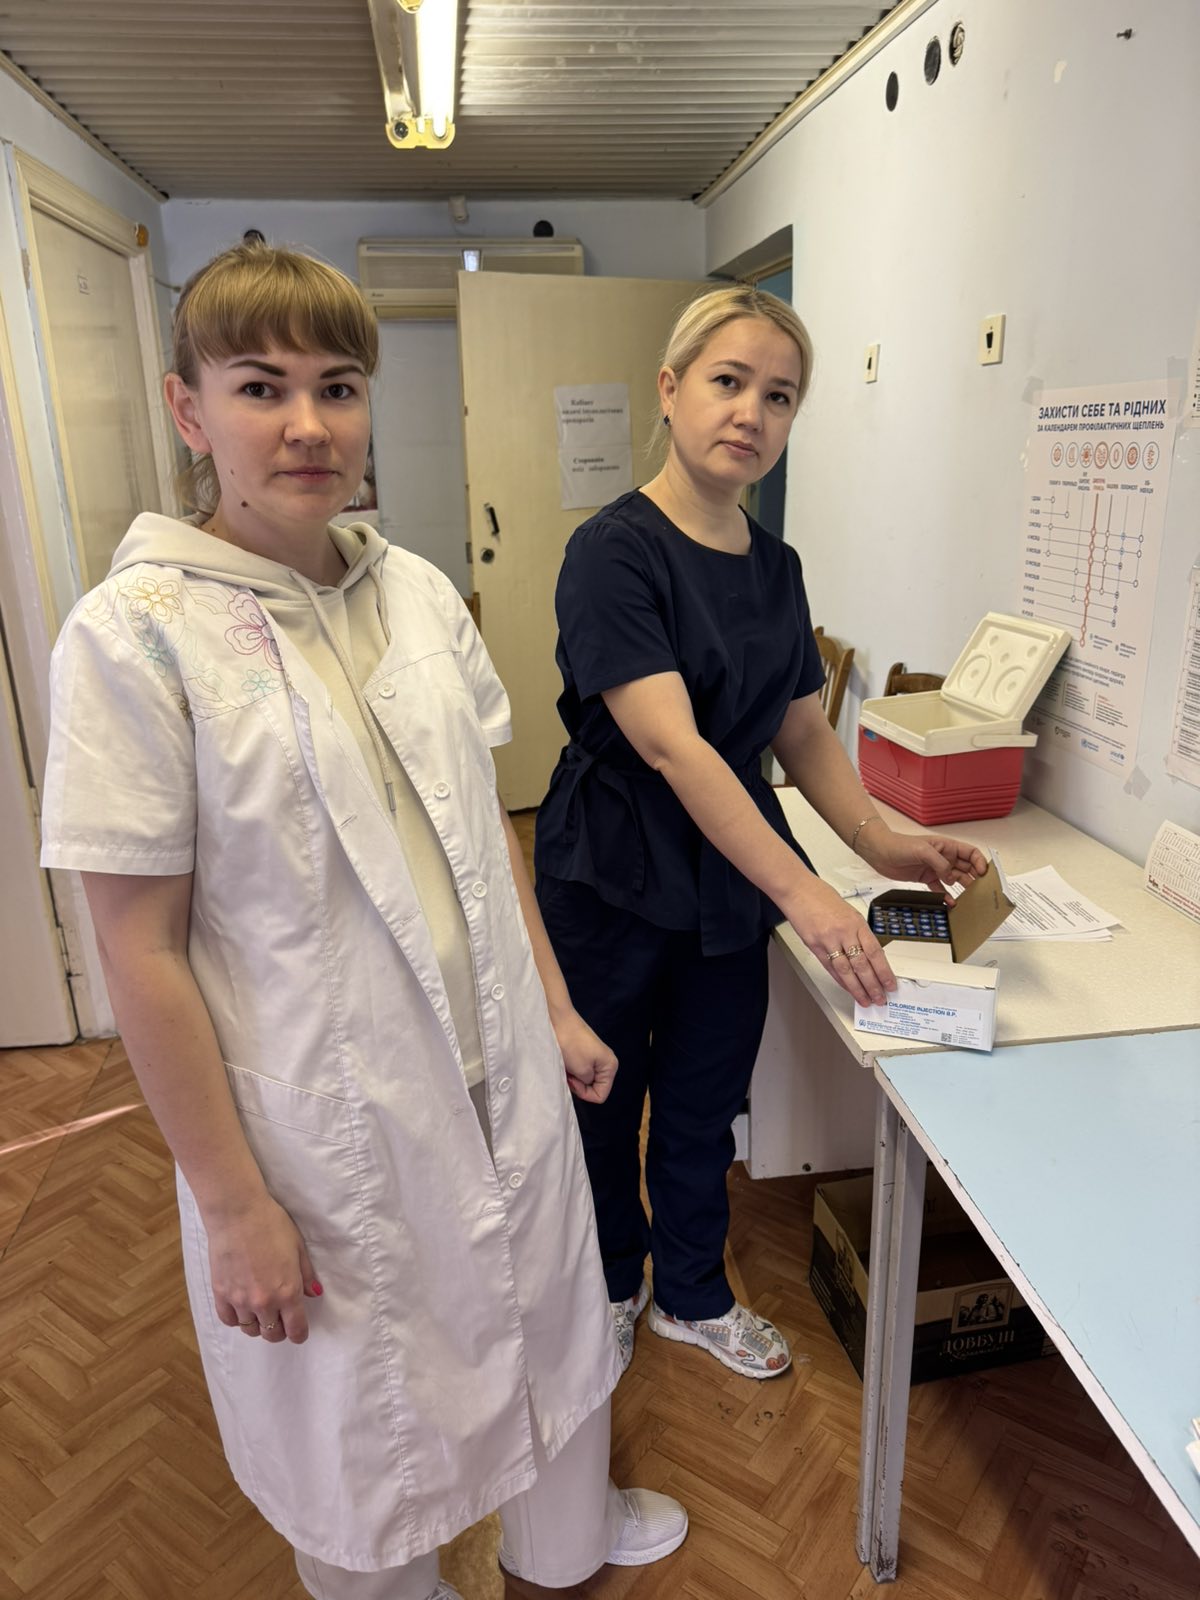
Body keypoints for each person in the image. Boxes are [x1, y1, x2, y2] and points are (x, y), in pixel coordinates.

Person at [39, 243, 687, 1600]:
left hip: (497, 1066)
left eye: (338, 386)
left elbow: (479, 830)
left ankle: (564, 1540)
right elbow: (138, 950)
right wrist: (231, 1201)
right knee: (366, 1422)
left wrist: (555, 1005)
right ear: (188, 409)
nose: (308, 424)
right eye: (260, 386)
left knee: (550, 1322)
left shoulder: (419, 593)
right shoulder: (134, 637)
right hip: (321, 1122)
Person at [534, 284, 987, 1380]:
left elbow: (798, 727)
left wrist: (880, 843)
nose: (751, 413)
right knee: (602, 1098)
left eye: (779, 396)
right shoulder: (613, 552)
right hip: (615, 863)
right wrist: (808, 894)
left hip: (728, 871)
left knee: (703, 1094)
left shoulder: (776, 566)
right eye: (729, 381)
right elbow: (674, 748)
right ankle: (611, 1280)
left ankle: (692, 1293)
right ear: (671, 388)